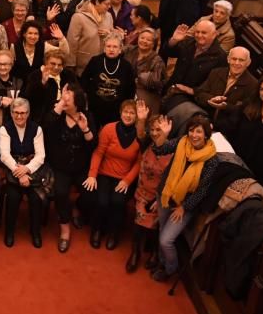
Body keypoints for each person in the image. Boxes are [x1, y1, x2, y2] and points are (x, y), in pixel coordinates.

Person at [150, 115, 219, 282]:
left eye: (198, 131)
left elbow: (202, 191)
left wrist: (184, 207)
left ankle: (170, 268)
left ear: (206, 134)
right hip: (166, 195)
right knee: (161, 231)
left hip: (185, 205)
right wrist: (164, 135)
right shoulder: (182, 142)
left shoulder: (212, 160)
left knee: (166, 240)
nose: (194, 135)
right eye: (191, 130)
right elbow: (160, 149)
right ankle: (161, 261)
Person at [215, 74, 263, 191]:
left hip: (260, 175)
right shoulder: (248, 107)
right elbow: (230, 126)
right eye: (262, 89)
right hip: (235, 163)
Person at [80, 100, 141, 251]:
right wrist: (92, 175)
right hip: (104, 173)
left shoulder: (140, 135)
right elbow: (98, 153)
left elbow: (139, 163)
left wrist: (127, 181)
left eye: (132, 113)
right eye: (125, 112)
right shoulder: (109, 129)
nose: (128, 115)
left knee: (118, 202)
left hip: (124, 177)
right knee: (102, 202)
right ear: (120, 113)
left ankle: (114, 234)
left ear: (137, 116)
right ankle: (97, 230)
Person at [43, 83, 96, 252]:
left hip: (81, 167)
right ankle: (64, 229)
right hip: (60, 167)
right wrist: (59, 105)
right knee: (60, 192)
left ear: (77, 101)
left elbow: (93, 144)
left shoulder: (87, 116)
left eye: (68, 98)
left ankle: (77, 207)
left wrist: (85, 129)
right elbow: (45, 127)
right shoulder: (56, 115)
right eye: (63, 97)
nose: (64, 101)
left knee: (90, 193)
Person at [127, 101, 172, 273]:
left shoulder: (173, 150)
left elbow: (171, 180)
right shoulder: (148, 144)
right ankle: (135, 253)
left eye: (158, 130)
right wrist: (141, 119)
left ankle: (154, 253)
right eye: (152, 129)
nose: (154, 133)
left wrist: (159, 199)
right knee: (139, 226)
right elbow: (140, 134)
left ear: (167, 130)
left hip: (160, 196)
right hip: (143, 193)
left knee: (156, 226)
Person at [0, 98, 46, 248]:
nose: (20, 117)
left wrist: (27, 170)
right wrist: (19, 173)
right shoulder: (4, 129)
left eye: (23, 113)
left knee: (36, 197)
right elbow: (5, 155)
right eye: (16, 113)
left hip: (32, 169)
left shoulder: (37, 129)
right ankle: (10, 232)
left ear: (28, 113)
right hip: (11, 168)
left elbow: (40, 155)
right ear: (11, 113)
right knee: (13, 197)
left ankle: (35, 232)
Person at [161, 20, 228, 116]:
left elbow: (214, 87)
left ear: (214, 35)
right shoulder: (188, 42)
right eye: (197, 32)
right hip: (171, 90)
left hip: (192, 100)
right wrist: (174, 40)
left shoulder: (220, 57)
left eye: (204, 33)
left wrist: (192, 91)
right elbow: (169, 53)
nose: (199, 35)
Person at [80, 34, 136, 127]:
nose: (111, 49)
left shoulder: (126, 65)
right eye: (108, 46)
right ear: (104, 48)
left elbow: (131, 89)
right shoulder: (95, 61)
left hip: (116, 110)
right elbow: (84, 79)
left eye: (115, 47)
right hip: (95, 108)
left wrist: (126, 107)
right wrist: (88, 95)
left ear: (120, 49)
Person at [66, 0, 114, 76]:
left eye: (110, 4)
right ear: (97, 2)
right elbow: (72, 42)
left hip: (103, 63)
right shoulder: (78, 17)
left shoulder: (109, 16)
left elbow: (113, 37)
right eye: (106, 4)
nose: (109, 7)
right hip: (83, 65)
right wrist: (70, 64)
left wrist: (109, 34)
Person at [25, 52, 77, 124]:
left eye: (59, 65)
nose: (56, 67)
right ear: (46, 63)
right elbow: (29, 97)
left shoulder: (68, 75)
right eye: (53, 64)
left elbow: (77, 92)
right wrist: (42, 82)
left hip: (66, 112)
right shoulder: (35, 75)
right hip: (44, 115)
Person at [123, 28, 166, 115]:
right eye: (142, 38)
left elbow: (157, 82)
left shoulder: (157, 60)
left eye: (148, 40)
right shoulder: (129, 50)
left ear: (153, 44)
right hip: (126, 87)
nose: (144, 41)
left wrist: (140, 78)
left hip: (146, 93)